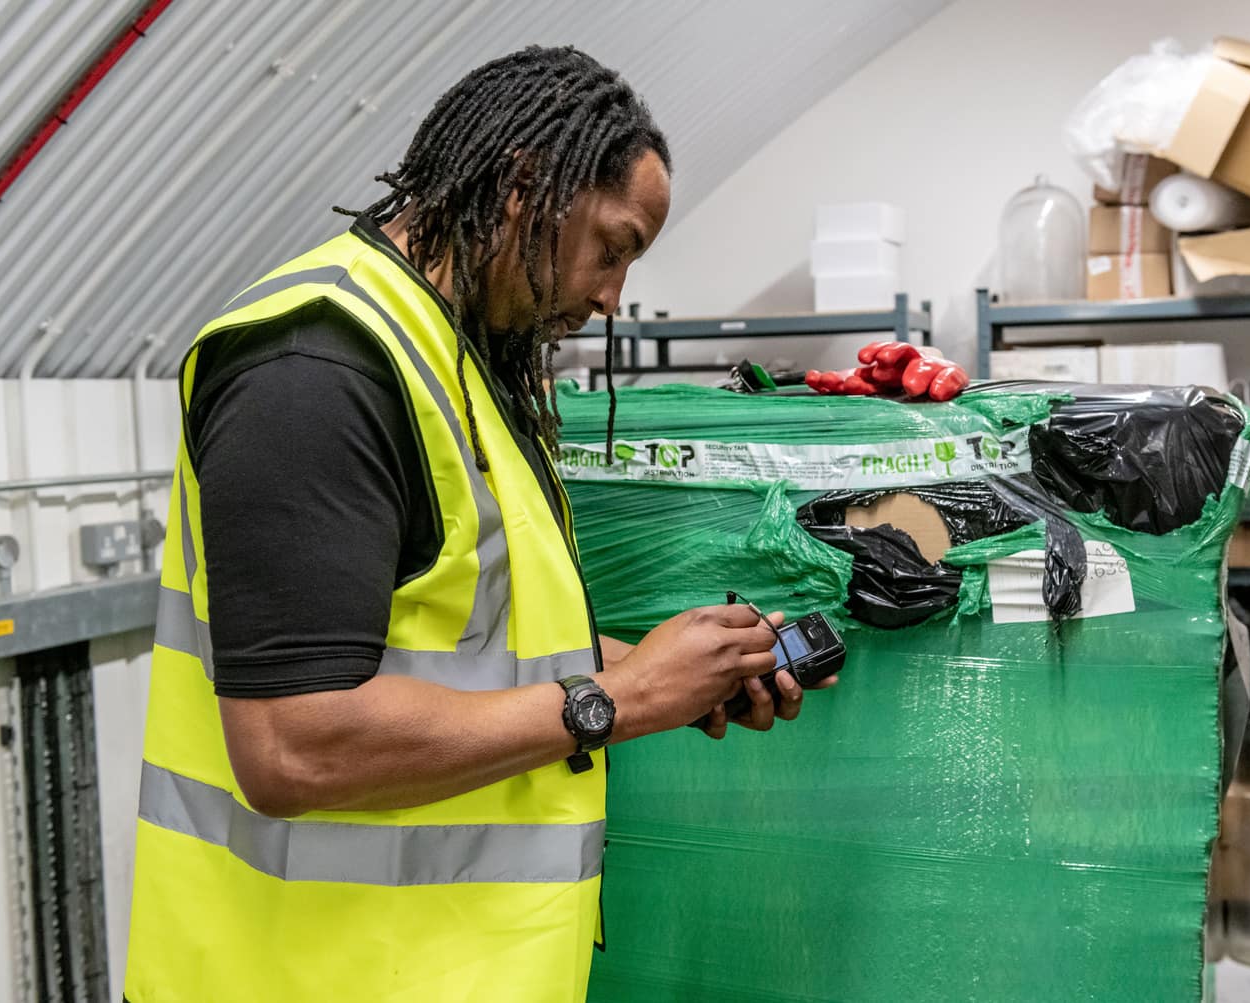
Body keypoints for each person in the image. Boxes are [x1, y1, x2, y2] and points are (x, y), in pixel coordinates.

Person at [124, 46, 830, 1003]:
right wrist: (613, 703)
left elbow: (472, 643)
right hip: (312, 975)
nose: (611, 295)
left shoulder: (458, 363)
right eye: (612, 248)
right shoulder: (316, 371)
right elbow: (296, 744)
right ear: (523, 188)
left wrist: (668, 669)